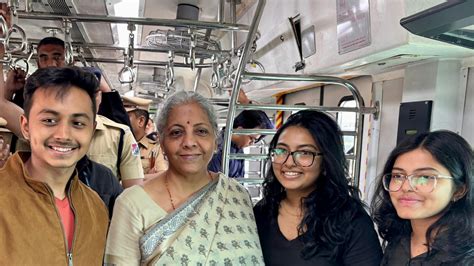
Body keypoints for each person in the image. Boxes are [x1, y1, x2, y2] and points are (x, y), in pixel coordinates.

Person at [105, 91, 264, 265]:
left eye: (201, 131)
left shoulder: (236, 196)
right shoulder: (131, 204)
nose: (189, 142)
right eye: (176, 132)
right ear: (162, 143)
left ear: (215, 140)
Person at [0, 67, 109, 264]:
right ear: (26, 127)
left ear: (92, 130)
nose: (63, 135)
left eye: (77, 123)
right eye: (49, 121)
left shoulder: (96, 209)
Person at [253, 110, 382, 265]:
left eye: (305, 153)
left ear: (326, 161)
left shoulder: (351, 221)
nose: (288, 162)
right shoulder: (262, 213)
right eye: (281, 150)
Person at [371, 130, 473, 265]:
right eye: (398, 176)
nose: (406, 187)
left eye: (425, 177)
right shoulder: (399, 241)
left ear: (459, 190)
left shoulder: (468, 257)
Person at [208, 109, 273, 178]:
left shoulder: (238, 149)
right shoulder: (217, 150)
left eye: (255, 140)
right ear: (239, 130)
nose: (252, 143)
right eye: (251, 138)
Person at [122, 95, 167, 178]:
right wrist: (147, 177)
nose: (121, 120)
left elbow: (162, 176)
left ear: (141, 121)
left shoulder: (155, 149)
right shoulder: (117, 144)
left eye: (126, 117)